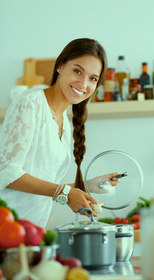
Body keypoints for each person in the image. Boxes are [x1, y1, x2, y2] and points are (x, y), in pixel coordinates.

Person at [0, 38, 120, 228]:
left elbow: (46, 186)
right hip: (6, 226)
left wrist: (86, 186)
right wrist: (64, 192)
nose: (83, 83)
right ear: (60, 67)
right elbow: (7, 172)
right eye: (77, 71)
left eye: (93, 78)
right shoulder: (31, 104)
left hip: (32, 231)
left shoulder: (64, 122)